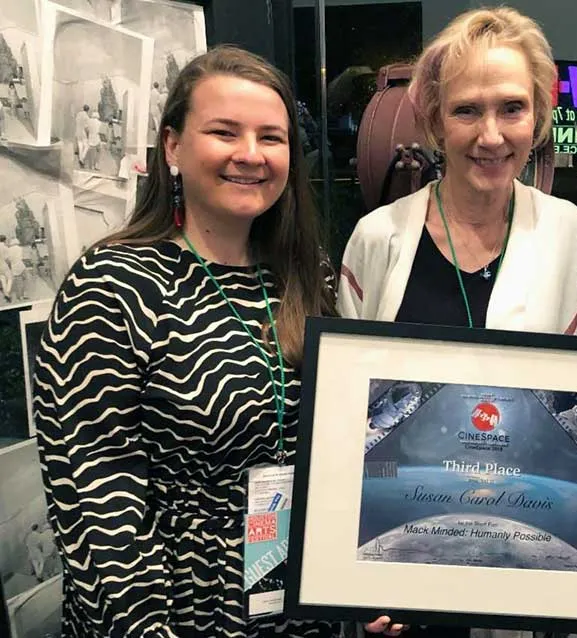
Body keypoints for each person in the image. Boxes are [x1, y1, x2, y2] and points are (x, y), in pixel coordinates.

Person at [33, 45, 404, 638]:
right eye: (224, 132)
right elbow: (98, 502)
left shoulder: (309, 276)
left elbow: (345, 454)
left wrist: (360, 592)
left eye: (271, 137)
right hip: (176, 610)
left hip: (296, 601)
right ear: (174, 146)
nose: (250, 155)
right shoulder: (113, 286)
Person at [337, 7, 577, 335]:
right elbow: (349, 378)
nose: (491, 136)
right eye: (466, 110)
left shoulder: (567, 232)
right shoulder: (375, 238)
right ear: (436, 122)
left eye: (512, 108)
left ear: (538, 115)